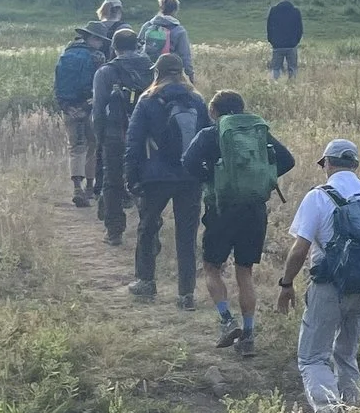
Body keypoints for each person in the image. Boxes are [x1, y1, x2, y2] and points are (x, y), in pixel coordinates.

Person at [275, 139, 360, 413]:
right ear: (355, 165)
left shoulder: (318, 197)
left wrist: (286, 284)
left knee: (312, 357)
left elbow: (300, 248)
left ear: (327, 164)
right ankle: (353, 411)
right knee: (346, 353)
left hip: (328, 286)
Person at [183, 89, 297, 357]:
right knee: (244, 272)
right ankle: (248, 336)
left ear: (213, 112)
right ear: (243, 108)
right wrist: (264, 177)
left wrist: (211, 177)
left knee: (212, 267)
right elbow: (287, 160)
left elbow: (187, 162)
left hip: (222, 209)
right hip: (254, 210)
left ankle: (226, 320)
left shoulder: (210, 134)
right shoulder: (258, 133)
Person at [124, 57, 209, 307]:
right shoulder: (197, 99)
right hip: (190, 177)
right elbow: (206, 137)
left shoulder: (148, 99)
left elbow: (134, 141)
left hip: (155, 176)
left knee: (148, 228)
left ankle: (146, 282)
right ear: (182, 73)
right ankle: (186, 294)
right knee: (187, 235)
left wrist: (131, 176)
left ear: (157, 73)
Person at [90, 27, 154, 246]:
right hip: (147, 136)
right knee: (145, 181)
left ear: (114, 47)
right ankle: (150, 230)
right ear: (137, 44)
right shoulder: (151, 67)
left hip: (115, 133)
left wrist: (99, 135)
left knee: (113, 181)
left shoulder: (106, 72)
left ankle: (114, 231)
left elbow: (98, 108)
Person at [54, 26, 104, 208]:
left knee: (76, 147)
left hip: (69, 107)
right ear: (91, 38)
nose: (100, 44)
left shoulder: (65, 54)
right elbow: (96, 85)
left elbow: (58, 82)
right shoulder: (96, 57)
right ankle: (90, 187)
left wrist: (66, 106)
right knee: (93, 144)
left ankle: (77, 187)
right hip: (89, 106)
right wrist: (86, 105)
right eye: (99, 40)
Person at [139, 0, 194, 75]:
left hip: (147, 70)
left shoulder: (147, 26)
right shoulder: (179, 30)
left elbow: (137, 47)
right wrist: (190, 74)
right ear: (175, 10)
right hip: (169, 73)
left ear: (161, 8)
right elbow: (185, 56)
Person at [266, 0, 303, 80]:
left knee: (276, 69)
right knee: (292, 68)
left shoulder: (273, 10)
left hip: (277, 45)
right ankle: (292, 87)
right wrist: (296, 41)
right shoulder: (295, 11)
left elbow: (269, 28)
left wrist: (272, 41)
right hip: (291, 45)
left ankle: (276, 87)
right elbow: (300, 29)